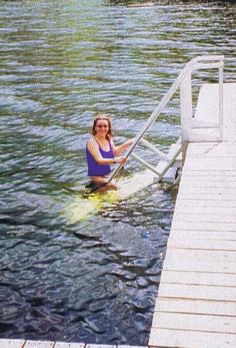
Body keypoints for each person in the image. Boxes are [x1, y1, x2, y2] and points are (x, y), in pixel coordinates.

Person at [86, 114, 133, 192]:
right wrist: (115, 160)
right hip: (96, 178)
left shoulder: (108, 138)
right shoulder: (92, 142)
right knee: (116, 187)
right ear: (95, 128)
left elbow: (114, 152)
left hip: (107, 175)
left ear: (109, 128)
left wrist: (128, 143)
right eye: (99, 126)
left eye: (105, 126)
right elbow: (99, 160)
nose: (103, 128)